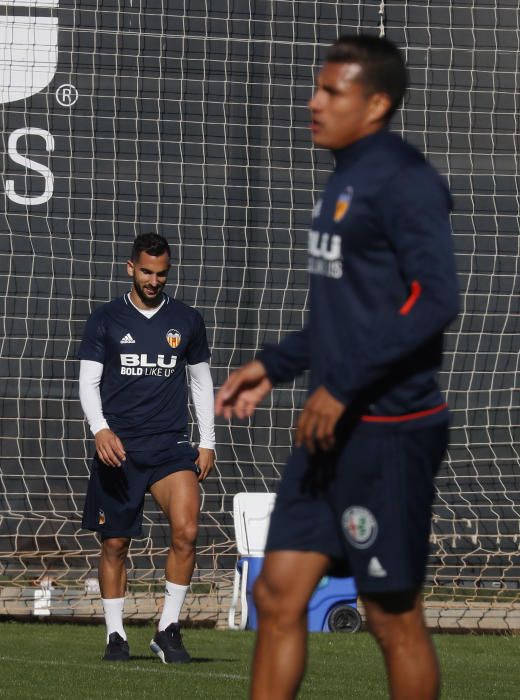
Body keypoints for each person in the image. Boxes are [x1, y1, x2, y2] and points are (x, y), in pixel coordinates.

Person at [216, 35, 459, 699]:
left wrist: (345, 385)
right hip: (328, 432)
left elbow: (437, 298)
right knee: (277, 592)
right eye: (315, 88)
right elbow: (346, 316)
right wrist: (273, 363)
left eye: (331, 92)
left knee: (390, 616)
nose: (313, 102)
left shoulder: (405, 180)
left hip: (387, 432)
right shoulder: (343, 175)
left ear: (376, 103)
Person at [79, 232, 215, 663]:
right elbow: (88, 381)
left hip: (171, 447)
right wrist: (100, 429)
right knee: (116, 544)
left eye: (161, 273)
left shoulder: (188, 320)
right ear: (130, 269)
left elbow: (201, 383)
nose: (154, 280)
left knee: (188, 531)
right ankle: (116, 635)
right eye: (146, 272)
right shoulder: (105, 320)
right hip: (119, 449)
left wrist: (208, 441)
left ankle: (168, 629)